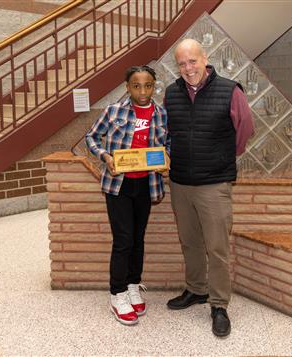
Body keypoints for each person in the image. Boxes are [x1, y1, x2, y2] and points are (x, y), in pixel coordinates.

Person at [164, 39, 254, 337]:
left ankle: (218, 304)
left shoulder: (230, 90)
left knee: (217, 247)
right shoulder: (171, 93)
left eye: (192, 61)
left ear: (205, 59)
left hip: (214, 184)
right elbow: (168, 133)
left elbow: (244, 131)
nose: (187, 68)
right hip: (180, 182)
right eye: (181, 63)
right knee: (189, 241)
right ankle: (196, 289)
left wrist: (222, 157)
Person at [85, 65, 168, 326]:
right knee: (123, 240)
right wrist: (105, 156)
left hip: (146, 184)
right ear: (127, 87)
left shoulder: (162, 114)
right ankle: (117, 293)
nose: (142, 91)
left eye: (148, 85)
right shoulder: (114, 111)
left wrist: (166, 159)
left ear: (154, 87)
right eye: (136, 85)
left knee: (138, 238)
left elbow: (168, 145)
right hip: (118, 185)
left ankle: (133, 284)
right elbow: (92, 137)